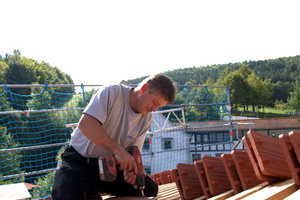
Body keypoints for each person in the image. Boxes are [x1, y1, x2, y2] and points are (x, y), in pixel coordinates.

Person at [52, 74, 177, 200]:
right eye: (154, 103)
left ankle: (91, 192)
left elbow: (133, 152)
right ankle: (89, 191)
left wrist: (130, 171)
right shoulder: (112, 91)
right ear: (144, 88)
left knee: (148, 189)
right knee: (64, 196)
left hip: (110, 167)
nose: (154, 109)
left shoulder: (146, 118)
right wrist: (118, 150)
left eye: (158, 107)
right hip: (80, 161)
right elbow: (86, 124)